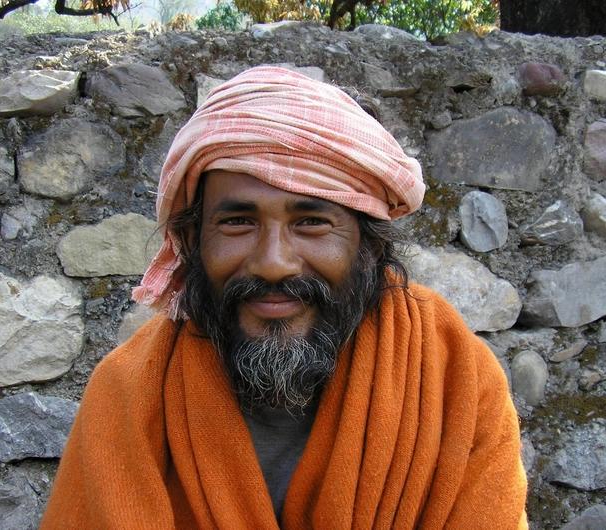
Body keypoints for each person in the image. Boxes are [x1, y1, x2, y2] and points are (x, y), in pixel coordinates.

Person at [40, 66, 528, 529]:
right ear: (192, 241)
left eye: (311, 222)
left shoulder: (456, 381)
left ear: (370, 245)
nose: (273, 264)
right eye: (237, 222)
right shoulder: (125, 396)